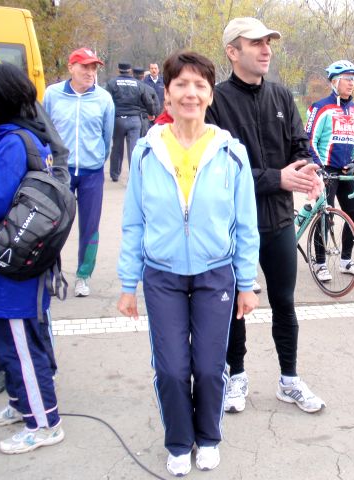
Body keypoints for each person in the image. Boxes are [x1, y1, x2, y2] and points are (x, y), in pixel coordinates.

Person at [117, 51, 259, 475]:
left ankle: (208, 437)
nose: (190, 94)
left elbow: (246, 225)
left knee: (209, 367)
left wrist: (246, 283)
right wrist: (128, 284)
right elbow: (133, 222)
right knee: (172, 369)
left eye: (200, 85)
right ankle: (179, 442)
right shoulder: (146, 152)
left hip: (216, 272)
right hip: (162, 276)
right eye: (181, 84)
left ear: (210, 95)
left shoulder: (231, 153)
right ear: (167, 94)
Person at [206, 17, 325, 415]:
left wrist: (307, 171)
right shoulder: (215, 101)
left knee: (284, 303)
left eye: (268, 42)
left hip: (278, 222)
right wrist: (278, 178)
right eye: (255, 42)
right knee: (234, 306)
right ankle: (236, 376)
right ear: (232, 51)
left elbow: (300, 145)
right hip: (232, 227)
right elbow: (218, 170)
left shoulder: (281, 96)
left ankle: (289, 379)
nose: (266, 49)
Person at [0, 62, 65, 454]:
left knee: (21, 347)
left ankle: (45, 423)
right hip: (18, 260)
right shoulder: (25, 136)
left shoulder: (12, 143)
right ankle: (21, 405)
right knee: (10, 342)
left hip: (13, 266)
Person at [43, 47, 115, 298]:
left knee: (90, 226)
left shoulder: (104, 99)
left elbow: (107, 136)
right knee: (53, 224)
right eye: (85, 66)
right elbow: (44, 130)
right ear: (71, 67)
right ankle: (51, 273)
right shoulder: (52, 95)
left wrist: (97, 159)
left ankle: (83, 276)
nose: (90, 72)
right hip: (59, 172)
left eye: (93, 67)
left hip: (91, 172)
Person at [305, 60, 354, 280]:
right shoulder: (321, 108)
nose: (351, 83)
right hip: (326, 170)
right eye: (347, 79)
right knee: (325, 217)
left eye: (353, 79)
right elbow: (309, 140)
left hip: (346, 171)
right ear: (334, 82)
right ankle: (320, 263)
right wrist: (318, 168)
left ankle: (345, 260)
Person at [105, 62, 157, 182]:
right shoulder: (138, 84)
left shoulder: (112, 83)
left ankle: (115, 174)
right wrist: (151, 113)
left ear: (118, 70)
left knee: (117, 147)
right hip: (134, 119)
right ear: (130, 71)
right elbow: (148, 101)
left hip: (118, 119)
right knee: (133, 149)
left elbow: (106, 101)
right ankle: (134, 174)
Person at [132, 66, 158, 136]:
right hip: (145, 118)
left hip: (130, 117)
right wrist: (153, 114)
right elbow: (155, 105)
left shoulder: (128, 89)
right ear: (143, 76)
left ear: (132, 75)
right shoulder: (149, 89)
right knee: (143, 139)